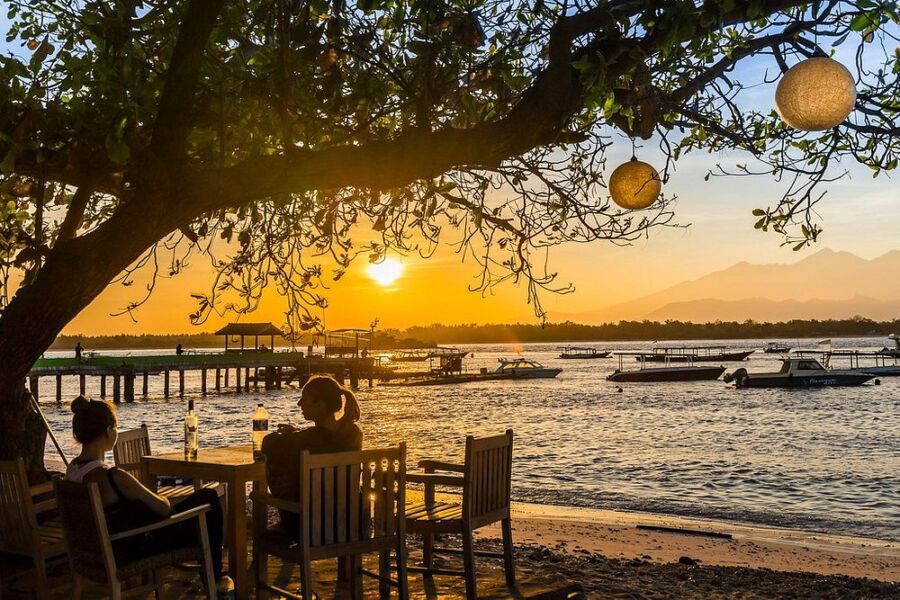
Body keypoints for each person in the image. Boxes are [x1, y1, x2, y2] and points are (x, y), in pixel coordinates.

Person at [64, 396, 232, 595]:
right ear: (109, 431)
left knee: (201, 500)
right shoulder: (113, 476)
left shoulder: (72, 471)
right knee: (208, 498)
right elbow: (164, 508)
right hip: (136, 546)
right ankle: (214, 579)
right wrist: (163, 500)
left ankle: (212, 577)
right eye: (116, 426)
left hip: (103, 547)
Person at [261, 375, 362, 538]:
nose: (299, 404)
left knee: (276, 465)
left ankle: (287, 524)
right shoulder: (354, 434)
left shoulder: (305, 440)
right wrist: (297, 432)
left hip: (311, 529)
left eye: (304, 399)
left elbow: (268, 443)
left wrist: (294, 435)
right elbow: (325, 437)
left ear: (320, 404)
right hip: (348, 525)